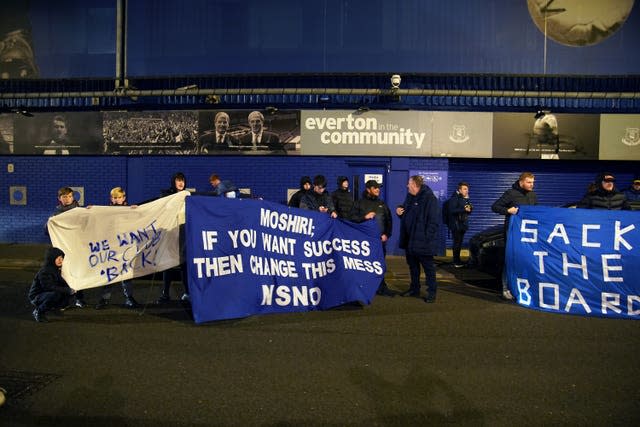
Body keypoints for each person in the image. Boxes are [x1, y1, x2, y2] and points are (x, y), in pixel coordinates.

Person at [491, 172, 538, 300]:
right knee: (510, 260)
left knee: (526, 259)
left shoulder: (533, 195)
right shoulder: (510, 193)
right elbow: (495, 207)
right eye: (529, 182)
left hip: (528, 233)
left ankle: (524, 287)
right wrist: (507, 210)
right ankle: (506, 288)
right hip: (512, 233)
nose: (531, 185)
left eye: (533, 182)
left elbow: (536, 211)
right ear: (521, 182)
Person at [396, 175, 440, 303]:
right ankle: (414, 289)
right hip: (410, 240)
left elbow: (433, 222)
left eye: (409, 183)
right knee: (413, 267)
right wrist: (399, 211)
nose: (407, 185)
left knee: (428, 269)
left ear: (415, 185)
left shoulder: (429, 199)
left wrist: (426, 238)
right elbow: (406, 213)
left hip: (423, 242)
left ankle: (432, 292)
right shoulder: (410, 197)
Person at [95, 187, 140, 310]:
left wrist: (137, 211)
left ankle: (129, 298)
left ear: (124, 198)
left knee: (126, 273)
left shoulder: (129, 210)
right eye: (115, 198)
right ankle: (104, 299)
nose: (117, 200)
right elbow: (97, 218)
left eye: (119, 197)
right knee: (110, 274)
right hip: (111, 247)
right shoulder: (106, 211)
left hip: (125, 247)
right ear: (111, 198)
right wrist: (91, 211)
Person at [350, 180, 394, 296]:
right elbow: (352, 219)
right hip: (363, 243)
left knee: (379, 265)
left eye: (378, 187)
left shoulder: (382, 204)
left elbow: (389, 221)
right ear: (368, 189)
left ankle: (381, 287)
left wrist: (386, 234)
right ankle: (363, 288)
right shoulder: (359, 203)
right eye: (375, 188)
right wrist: (365, 217)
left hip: (379, 242)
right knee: (363, 266)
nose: (378, 190)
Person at [47, 186, 87, 308]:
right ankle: (65, 301)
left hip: (77, 248)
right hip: (63, 250)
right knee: (64, 275)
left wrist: (90, 212)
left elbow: (87, 224)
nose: (68, 199)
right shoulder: (56, 213)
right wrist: (49, 223)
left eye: (70, 196)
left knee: (78, 273)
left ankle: (79, 298)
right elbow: (47, 231)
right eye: (65, 197)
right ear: (59, 198)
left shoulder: (80, 211)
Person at [157, 172, 190, 303]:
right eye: (178, 180)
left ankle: (187, 293)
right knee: (168, 264)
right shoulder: (166, 196)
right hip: (171, 233)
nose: (181, 183)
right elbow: (155, 206)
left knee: (185, 264)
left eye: (182, 180)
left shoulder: (188, 196)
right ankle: (165, 294)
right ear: (174, 182)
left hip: (184, 233)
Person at [28, 247, 76, 322]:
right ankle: (39, 312)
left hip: (47, 293)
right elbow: (48, 287)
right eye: (58, 258)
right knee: (56, 294)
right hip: (37, 296)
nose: (61, 260)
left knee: (68, 288)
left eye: (62, 258)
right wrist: (67, 290)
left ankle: (59, 306)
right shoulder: (45, 271)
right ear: (52, 259)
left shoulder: (56, 268)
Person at [445, 182, 473, 267]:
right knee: (457, 243)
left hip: (462, 224)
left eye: (467, 189)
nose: (466, 191)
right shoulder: (454, 198)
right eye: (464, 189)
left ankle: (457, 261)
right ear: (459, 190)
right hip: (456, 225)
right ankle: (456, 262)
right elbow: (452, 210)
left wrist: (469, 208)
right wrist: (464, 209)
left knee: (459, 243)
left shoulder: (464, 198)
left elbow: (467, 210)